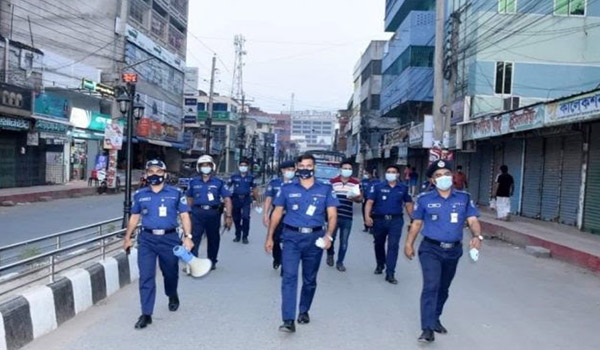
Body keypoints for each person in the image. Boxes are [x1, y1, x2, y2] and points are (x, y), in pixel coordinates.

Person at [404, 160, 483, 343]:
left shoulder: (463, 198)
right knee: (431, 286)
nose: (444, 178)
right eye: (438, 176)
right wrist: (409, 244)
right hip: (430, 249)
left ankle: (435, 317)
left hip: (453, 251)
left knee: (443, 288)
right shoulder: (424, 199)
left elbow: (472, 220)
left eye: (446, 174)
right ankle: (427, 329)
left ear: (452, 176)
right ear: (432, 180)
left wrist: (477, 236)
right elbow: (416, 223)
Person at [264, 153, 339, 333]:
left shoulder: (325, 189)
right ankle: (288, 319)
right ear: (297, 168)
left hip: (315, 238)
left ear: (314, 167)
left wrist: (329, 236)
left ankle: (304, 310)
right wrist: (270, 237)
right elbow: (277, 213)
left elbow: (332, 215)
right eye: (302, 166)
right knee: (289, 277)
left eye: (309, 165)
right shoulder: (287, 188)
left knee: (309, 279)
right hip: (291, 237)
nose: (305, 169)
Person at [123, 159, 194, 329]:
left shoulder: (176, 193)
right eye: (151, 171)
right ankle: (146, 314)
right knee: (146, 276)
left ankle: (172, 293)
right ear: (146, 174)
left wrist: (188, 236)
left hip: (169, 239)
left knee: (170, 272)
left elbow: (184, 216)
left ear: (165, 174)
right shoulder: (140, 195)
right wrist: (127, 237)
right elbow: (134, 217)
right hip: (147, 239)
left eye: (158, 171)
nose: (154, 174)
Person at [364, 165, 413, 284]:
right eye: (388, 171)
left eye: (393, 172)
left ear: (397, 174)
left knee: (393, 246)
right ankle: (380, 264)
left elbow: (408, 204)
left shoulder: (403, 188)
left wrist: (413, 219)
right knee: (379, 243)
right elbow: (369, 202)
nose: (391, 173)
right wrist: (367, 216)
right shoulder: (378, 187)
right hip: (379, 220)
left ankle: (390, 273)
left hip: (396, 220)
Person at [186, 155, 232, 270]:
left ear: (212, 167)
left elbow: (227, 199)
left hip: (213, 213)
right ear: (199, 167)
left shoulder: (219, 182)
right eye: (203, 165)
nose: (205, 168)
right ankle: (193, 262)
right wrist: (186, 214)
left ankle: (212, 261)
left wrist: (228, 216)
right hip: (197, 213)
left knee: (213, 238)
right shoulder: (193, 182)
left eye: (208, 165)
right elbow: (189, 199)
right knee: (194, 237)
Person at [327, 160, 362, 271]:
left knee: (344, 241)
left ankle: (340, 262)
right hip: (333, 216)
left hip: (347, 216)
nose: (347, 171)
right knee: (331, 238)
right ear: (340, 170)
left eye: (349, 169)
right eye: (345, 168)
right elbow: (326, 198)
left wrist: (354, 197)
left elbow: (360, 199)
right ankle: (330, 254)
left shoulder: (355, 183)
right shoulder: (332, 182)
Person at [262, 160, 297, 270]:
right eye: (288, 170)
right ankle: (277, 258)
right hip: (276, 214)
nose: (290, 172)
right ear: (282, 170)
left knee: (289, 240)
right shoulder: (274, 183)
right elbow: (268, 199)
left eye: (292, 170)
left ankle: (285, 264)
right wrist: (265, 214)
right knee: (275, 239)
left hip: (292, 215)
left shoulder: (297, 184)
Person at [228, 159, 259, 244]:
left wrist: (257, 200)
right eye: (241, 165)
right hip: (236, 198)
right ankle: (238, 235)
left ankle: (245, 236)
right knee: (236, 218)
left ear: (248, 167)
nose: (243, 167)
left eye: (245, 165)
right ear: (239, 166)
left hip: (246, 199)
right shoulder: (234, 176)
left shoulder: (251, 177)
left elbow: (255, 188)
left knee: (246, 217)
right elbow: (227, 186)